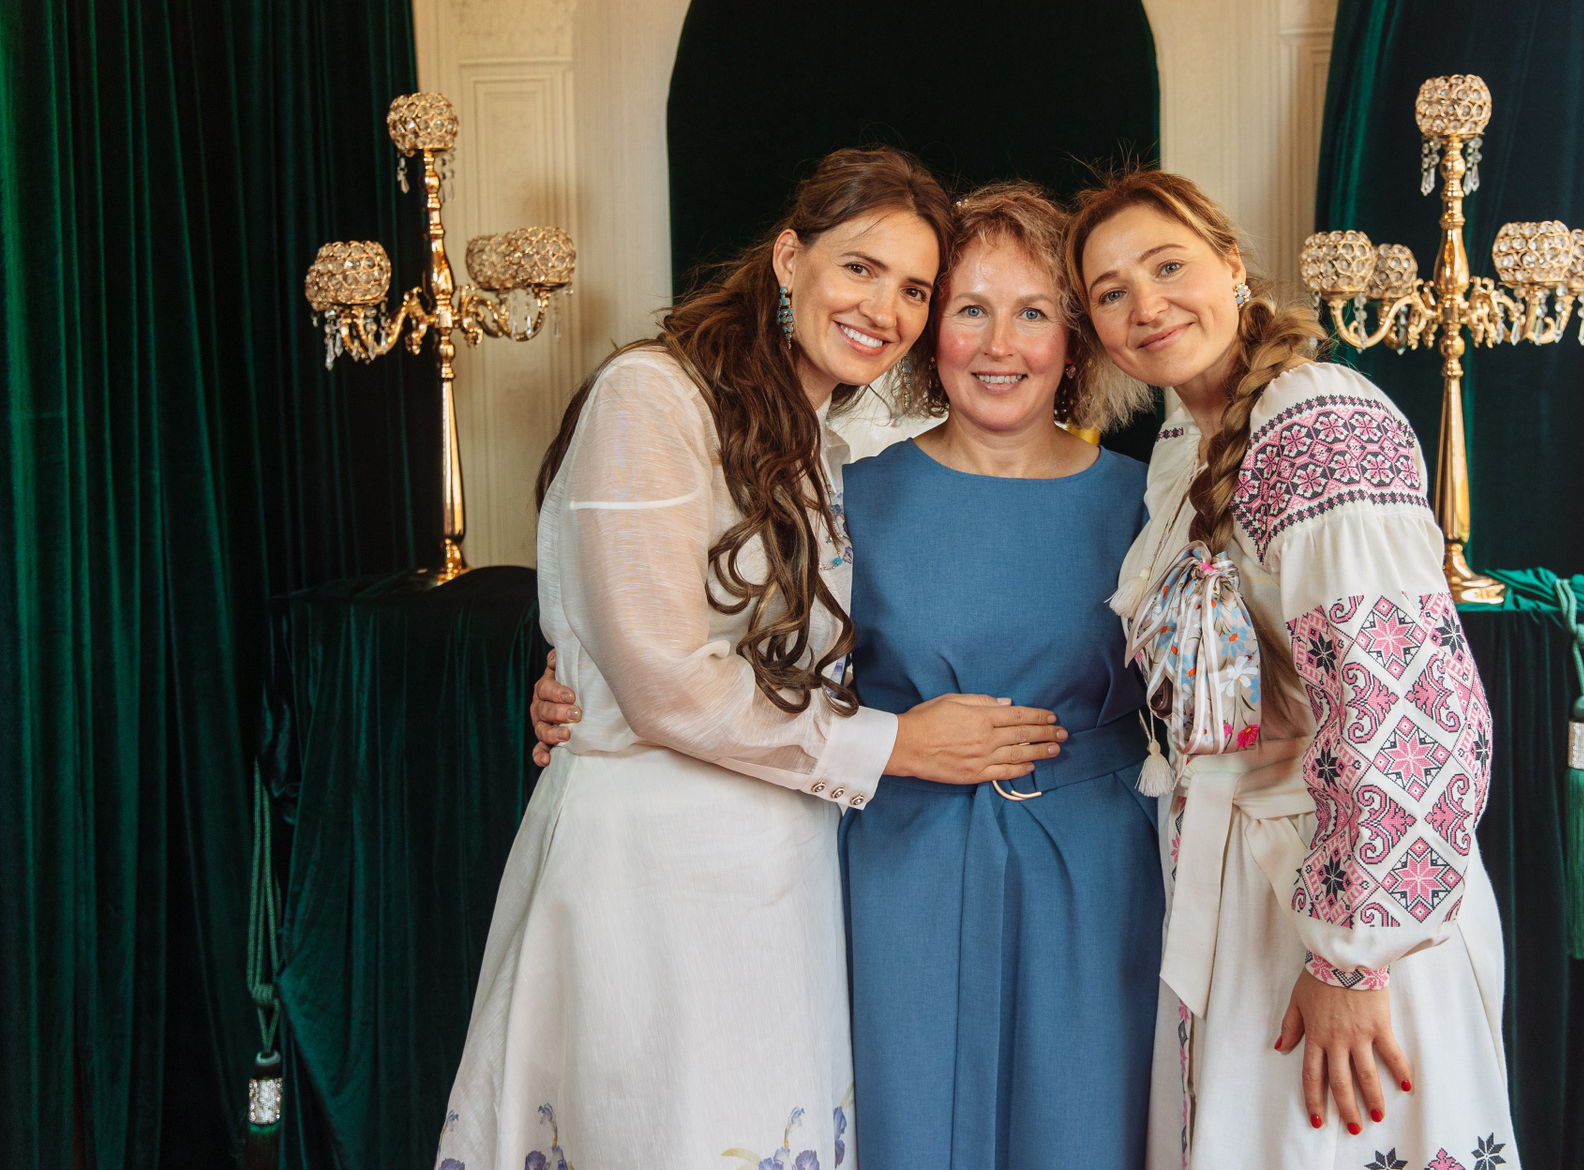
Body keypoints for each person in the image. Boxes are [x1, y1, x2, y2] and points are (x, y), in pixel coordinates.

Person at [435, 148, 1068, 1170]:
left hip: (785, 870)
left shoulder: (832, 435)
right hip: (651, 872)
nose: (885, 309)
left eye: (915, 289)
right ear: (787, 257)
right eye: (860, 267)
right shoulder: (654, 394)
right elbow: (664, 679)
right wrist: (896, 746)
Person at [1067, 169, 1517, 1170]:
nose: (1145, 305)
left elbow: (1408, 706)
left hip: (1342, 907)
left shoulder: (1318, 420)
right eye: (1110, 291)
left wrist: (1353, 960)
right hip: (1243, 897)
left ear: (1232, 264)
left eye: (1168, 266)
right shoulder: (1183, 445)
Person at [837, 183, 1162, 1169]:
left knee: (1082, 1128)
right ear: (928, 332)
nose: (999, 345)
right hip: (900, 872)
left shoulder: (1149, 503)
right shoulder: (847, 497)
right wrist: (582, 689)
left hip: (1097, 873)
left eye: (1032, 313)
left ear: (1075, 338)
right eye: (970, 309)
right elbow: (745, 665)